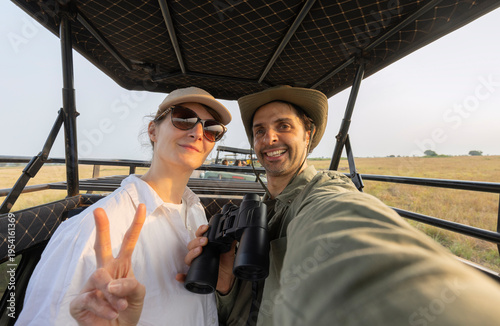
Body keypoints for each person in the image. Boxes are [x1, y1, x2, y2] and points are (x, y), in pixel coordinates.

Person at [184, 85, 500, 325]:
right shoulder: (264, 207)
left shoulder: (324, 195)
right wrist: (225, 286)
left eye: (284, 126)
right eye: (260, 131)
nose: (269, 139)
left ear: (308, 135)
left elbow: (348, 236)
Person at [16, 87, 231, 326]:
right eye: (183, 118)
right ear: (153, 130)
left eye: (212, 129)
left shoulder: (196, 212)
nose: (198, 133)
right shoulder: (94, 230)